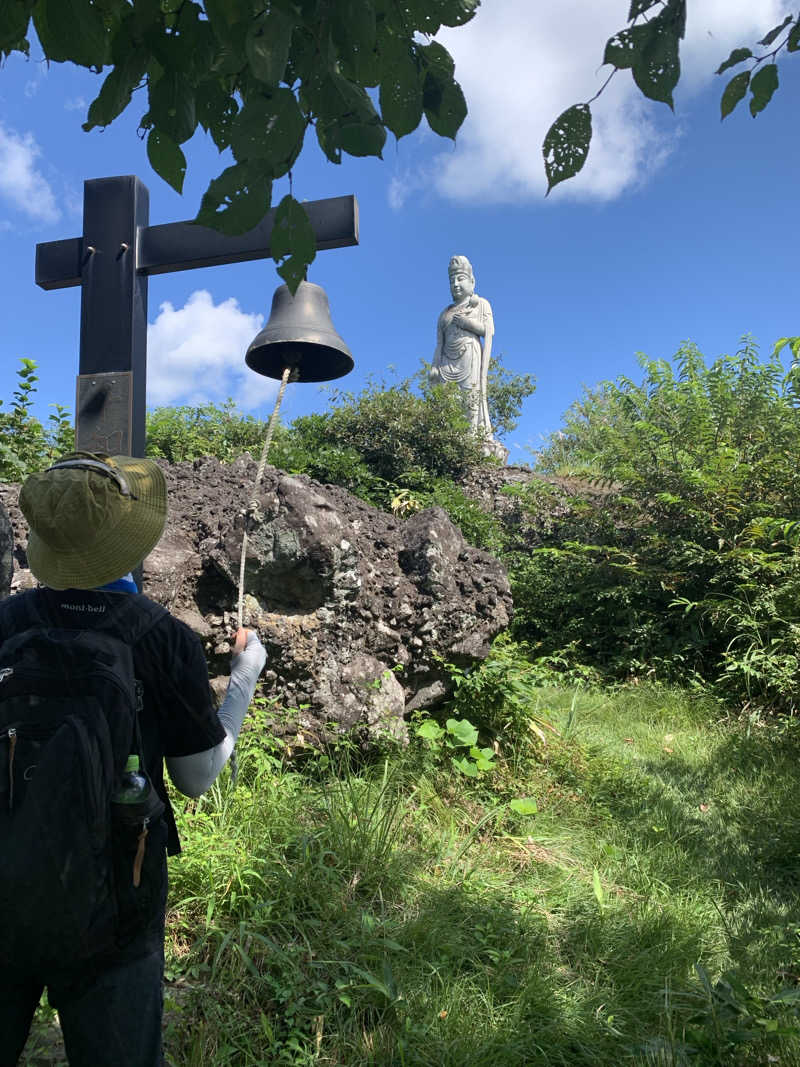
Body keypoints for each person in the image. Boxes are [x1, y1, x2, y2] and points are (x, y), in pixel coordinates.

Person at [0, 450, 267, 1067]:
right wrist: (244, 678)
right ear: (126, 542)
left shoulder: (7, 623)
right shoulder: (158, 636)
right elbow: (198, 778)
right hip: (118, 899)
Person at [430, 254, 496, 440]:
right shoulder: (445, 313)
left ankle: (473, 437)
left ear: (472, 281)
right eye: (452, 281)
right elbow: (439, 344)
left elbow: (488, 331)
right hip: (446, 362)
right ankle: (450, 439)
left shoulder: (480, 304)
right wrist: (434, 365)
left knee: (469, 397)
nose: (456, 284)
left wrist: (467, 323)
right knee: (448, 401)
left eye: (461, 279)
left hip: (468, 355)